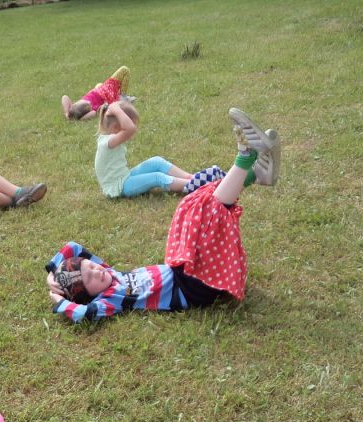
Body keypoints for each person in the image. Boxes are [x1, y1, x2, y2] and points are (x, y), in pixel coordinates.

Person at [48, 108, 280, 323]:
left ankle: (255, 174)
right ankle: (246, 158)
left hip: (181, 269)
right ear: (86, 295)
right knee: (204, 213)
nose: (97, 270)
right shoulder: (109, 299)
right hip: (192, 288)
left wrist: (52, 275)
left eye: (91, 266)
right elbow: (83, 314)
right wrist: (59, 297)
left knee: (190, 205)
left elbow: (73, 248)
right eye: (90, 277)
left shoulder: (109, 273)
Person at [94, 101, 225, 199]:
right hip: (119, 187)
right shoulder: (107, 142)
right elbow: (130, 129)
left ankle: (190, 177)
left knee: (156, 161)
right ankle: (196, 186)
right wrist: (117, 109)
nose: (133, 132)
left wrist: (117, 108)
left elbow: (129, 128)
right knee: (157, 177)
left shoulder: (109, 139)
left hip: (124, 177)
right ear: (116, 128)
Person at [62, 65, 134, 121]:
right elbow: (93, 113)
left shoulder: (77, 107)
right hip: (106, 92)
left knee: (98, 84)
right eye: (89, 104)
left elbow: (65, 97)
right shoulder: (93, 109)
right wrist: (81, 119)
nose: (89, 102)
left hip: (100, 89)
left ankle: (120, 98)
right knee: (125, 70)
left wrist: (67, 113)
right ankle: (123, 97)